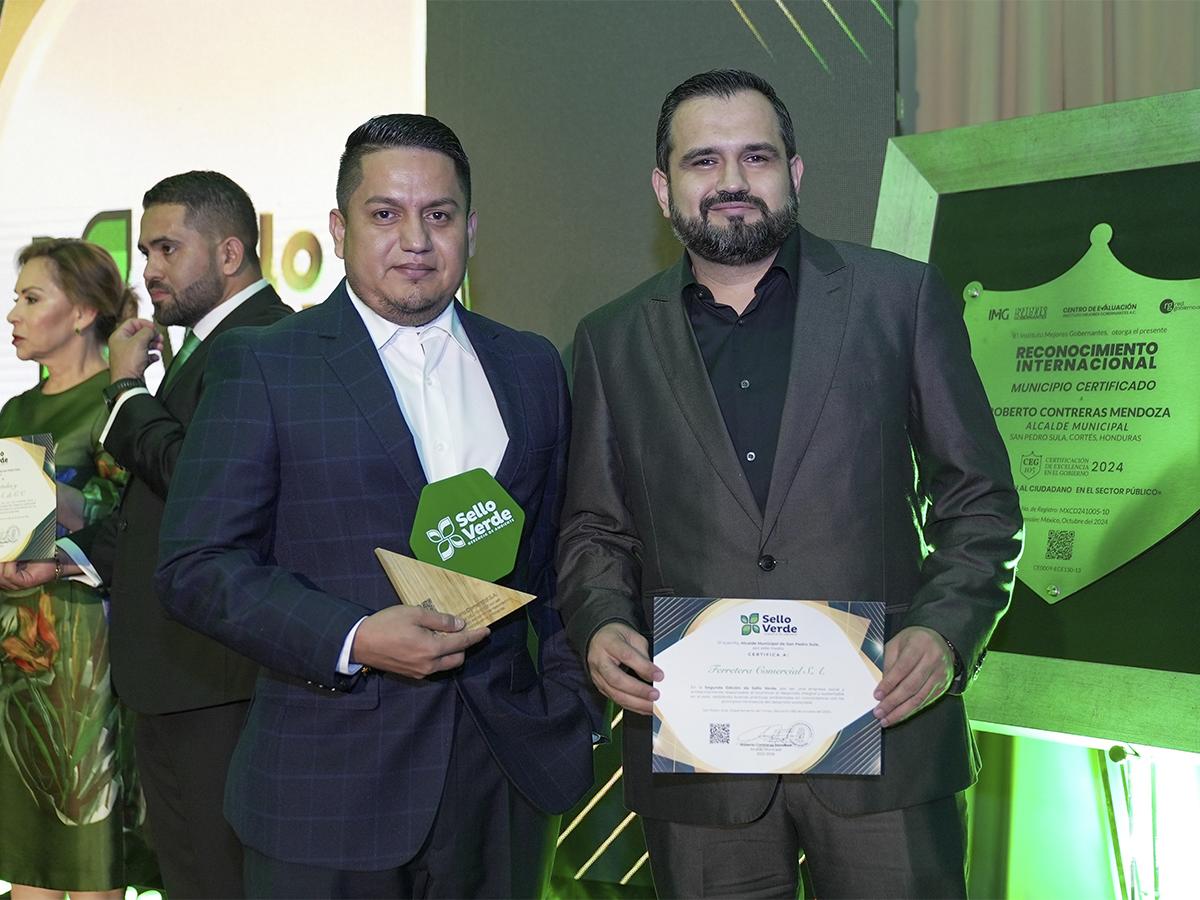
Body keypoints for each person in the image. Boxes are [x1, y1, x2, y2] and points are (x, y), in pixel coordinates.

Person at [556, 69, 1024, 899]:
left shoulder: (898, 299)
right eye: (704, 161)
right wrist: (599, 624)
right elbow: (596, 527)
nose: (731, 182)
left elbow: (980, 501)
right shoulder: (609, 340)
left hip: (887, 742)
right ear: (664, 187)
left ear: (795, 174)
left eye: (756, 156)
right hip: (700, 762)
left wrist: (947, 636)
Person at [154, 113, 602, 899]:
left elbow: (565, 553)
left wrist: (568, 704)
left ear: (471, 225)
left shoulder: (530, 365)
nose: (416, 240)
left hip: (502, 780)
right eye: (384, 214)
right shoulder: (265, 364)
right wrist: (353, 637)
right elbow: (196, 566)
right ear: (337, 228)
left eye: (439, 215)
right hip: (326, 787)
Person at [0, 172, 292, 899]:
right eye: (145, 251)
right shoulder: (206, 348)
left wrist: (127, 392)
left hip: (212, 673)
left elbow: (198, 480)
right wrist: (63, 558)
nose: (150, 270)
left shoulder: (263, 340)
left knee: (212, 875)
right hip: (172, 672)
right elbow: (151, 516)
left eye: (166, 249)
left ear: (230, 253)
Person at [0, 239, 137, 900]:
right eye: (17, 298)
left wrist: (49, 498)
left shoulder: (118, 403)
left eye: (32, 298)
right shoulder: (14, 413)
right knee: (29, 858)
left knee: (87, 854)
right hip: (16, 649)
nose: (13, 315)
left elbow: (133, 524)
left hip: (87, 650)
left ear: (83, 313)